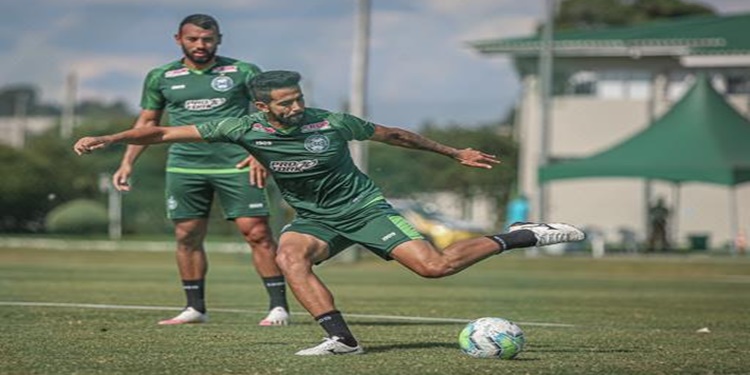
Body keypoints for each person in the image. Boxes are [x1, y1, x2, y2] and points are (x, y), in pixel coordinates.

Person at [74, 70, 586, 355]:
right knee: (288, 254)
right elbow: (162, 132)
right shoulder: (241, 127)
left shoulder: (330, 122)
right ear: (262, 107)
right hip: (316, 219)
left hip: (362, 208)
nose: (297, 108)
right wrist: (109, 138)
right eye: (286, 103)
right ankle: (341, 339)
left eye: (298, 100)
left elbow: (394, 135)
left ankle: (518, 235)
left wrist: (454, 153)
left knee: (436, 268)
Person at [112, 14, 289, 326]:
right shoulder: (161, 76)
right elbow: (147, 124)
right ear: (178, 39)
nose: (200, 45)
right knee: (186, 236)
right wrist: (127, 161)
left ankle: (278, 307)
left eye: (207, 39)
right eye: (193, 39)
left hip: (238, 164)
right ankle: (195, 308)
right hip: (184, 166)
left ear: (219, 39)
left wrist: (264, 155)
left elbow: (273, 113)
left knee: (258, 233)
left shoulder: (243, 71)